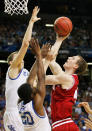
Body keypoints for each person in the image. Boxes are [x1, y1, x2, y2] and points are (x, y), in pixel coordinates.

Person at [3, 6, 40, 131]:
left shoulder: (26, 72)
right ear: (11, 62)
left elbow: (35, 84)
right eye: (18, 57)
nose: (21, 58)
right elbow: (25, 44)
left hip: (25, 112)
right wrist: (31, 22)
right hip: (13, 113)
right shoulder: (12, 70)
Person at [18, 39, 51, 131]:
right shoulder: (36, 104)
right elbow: (41, 78)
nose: (34, 87)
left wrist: (38, 57)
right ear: (32, 95)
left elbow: (30, 79)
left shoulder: (20, 104)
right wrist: (39, 56)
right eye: (33, 88)